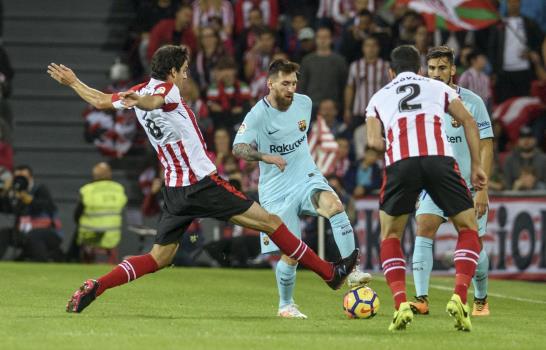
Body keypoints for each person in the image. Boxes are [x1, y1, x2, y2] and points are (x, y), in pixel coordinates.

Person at [47, 45, 358, 313]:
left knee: (159, 257)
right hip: (201, 184)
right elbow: (155, 102)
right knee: (272, 223)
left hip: (174, 190)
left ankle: (97, 285)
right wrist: (142, 102)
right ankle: (330, 273)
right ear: (171, 72)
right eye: (183, 70)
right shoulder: (163, 91)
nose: (186, 76)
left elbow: (101, 100)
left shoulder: (139, 89)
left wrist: (74, 81)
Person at [233, 59, 370, 319]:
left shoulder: (304, 103)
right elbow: (238, 148)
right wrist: (266, 157)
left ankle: (351, 270)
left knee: (335, 206)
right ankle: (286, 305)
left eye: (294, 83)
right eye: (285, 83)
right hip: (276, 191)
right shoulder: (257, 114)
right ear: (270, 83)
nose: (291, 88)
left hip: (306, 177)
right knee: (292, 252)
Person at [365, 45, 487, 331]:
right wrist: (477, 166)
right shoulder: (437, 86)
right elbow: (468, 120)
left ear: (390, 71)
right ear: (420, 69)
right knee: (468, 228)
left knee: (390, 235)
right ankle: (459, 296)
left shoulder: (378, 97)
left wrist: (394, 143)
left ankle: (401, 304)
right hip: (439, 161)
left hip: (401, 163)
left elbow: (372, 142)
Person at [409, 46, 494, 318]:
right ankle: (421, 299)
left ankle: (480, 298)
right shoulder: (420, 103)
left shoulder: (472, 102)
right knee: (424, 227)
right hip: (434, 183)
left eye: (442, 67)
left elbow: (486, 145)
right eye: (432, 68)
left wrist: (483, 189)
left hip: (467, 186)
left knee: (474, 242)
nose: (436, 73)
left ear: (453, 70)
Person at [0, 165, 63, 262]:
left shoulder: (40, 189)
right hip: (24, 231)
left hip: (48, 231)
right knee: (4, 234)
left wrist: (30, 200)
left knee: (33, 235)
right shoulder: (15, 192)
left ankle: (42, 262)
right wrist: (5, 192)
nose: (21, 180)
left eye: (23, 177)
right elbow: (5, 209)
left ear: (31, 177)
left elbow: (48, 206)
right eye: (18, 177)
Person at [74, 162, 127, 262]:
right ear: (110, 174)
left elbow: (77, 214)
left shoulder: (87, 190)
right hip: (112, 234)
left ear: (94, 174)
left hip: (90, 234)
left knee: (78, 236)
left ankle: (80, 260)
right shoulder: (119, 189)